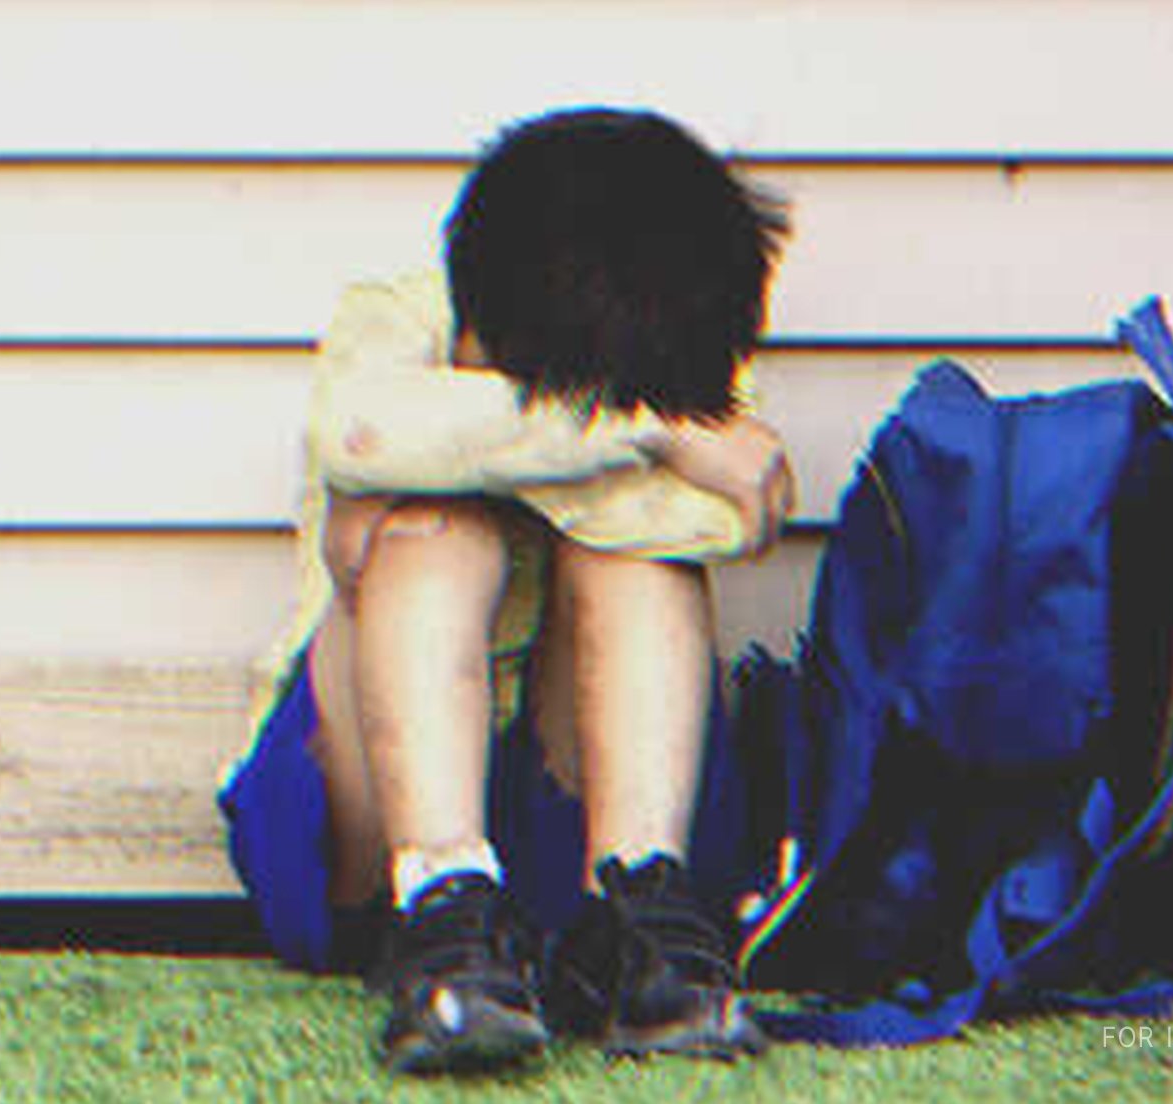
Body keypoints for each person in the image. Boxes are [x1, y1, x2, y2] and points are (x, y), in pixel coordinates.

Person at [220, 106, 793, 1074]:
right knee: (434, 536)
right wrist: (637, 434)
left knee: (633, 555)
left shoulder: (666, 336)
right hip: (365, 835)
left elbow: (731, 514)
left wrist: (489, 448)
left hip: (583, 817)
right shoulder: (404, 318)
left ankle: (641, 908)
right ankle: (444, 905)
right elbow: (360, 434)